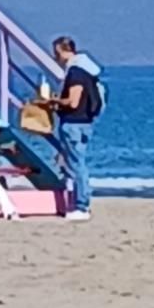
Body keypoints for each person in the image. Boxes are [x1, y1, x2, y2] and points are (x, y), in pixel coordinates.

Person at [45, 36, 103, 221]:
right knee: (77, 162)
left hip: (74, 122)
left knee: (76, 164)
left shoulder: (76, 72)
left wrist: (55, 101)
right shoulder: (87, 70)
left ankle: (81, 205)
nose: (56, 58)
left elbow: (73, 101)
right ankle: (79, 202)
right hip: (84, 122)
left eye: (57, 53)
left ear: (64, 51)